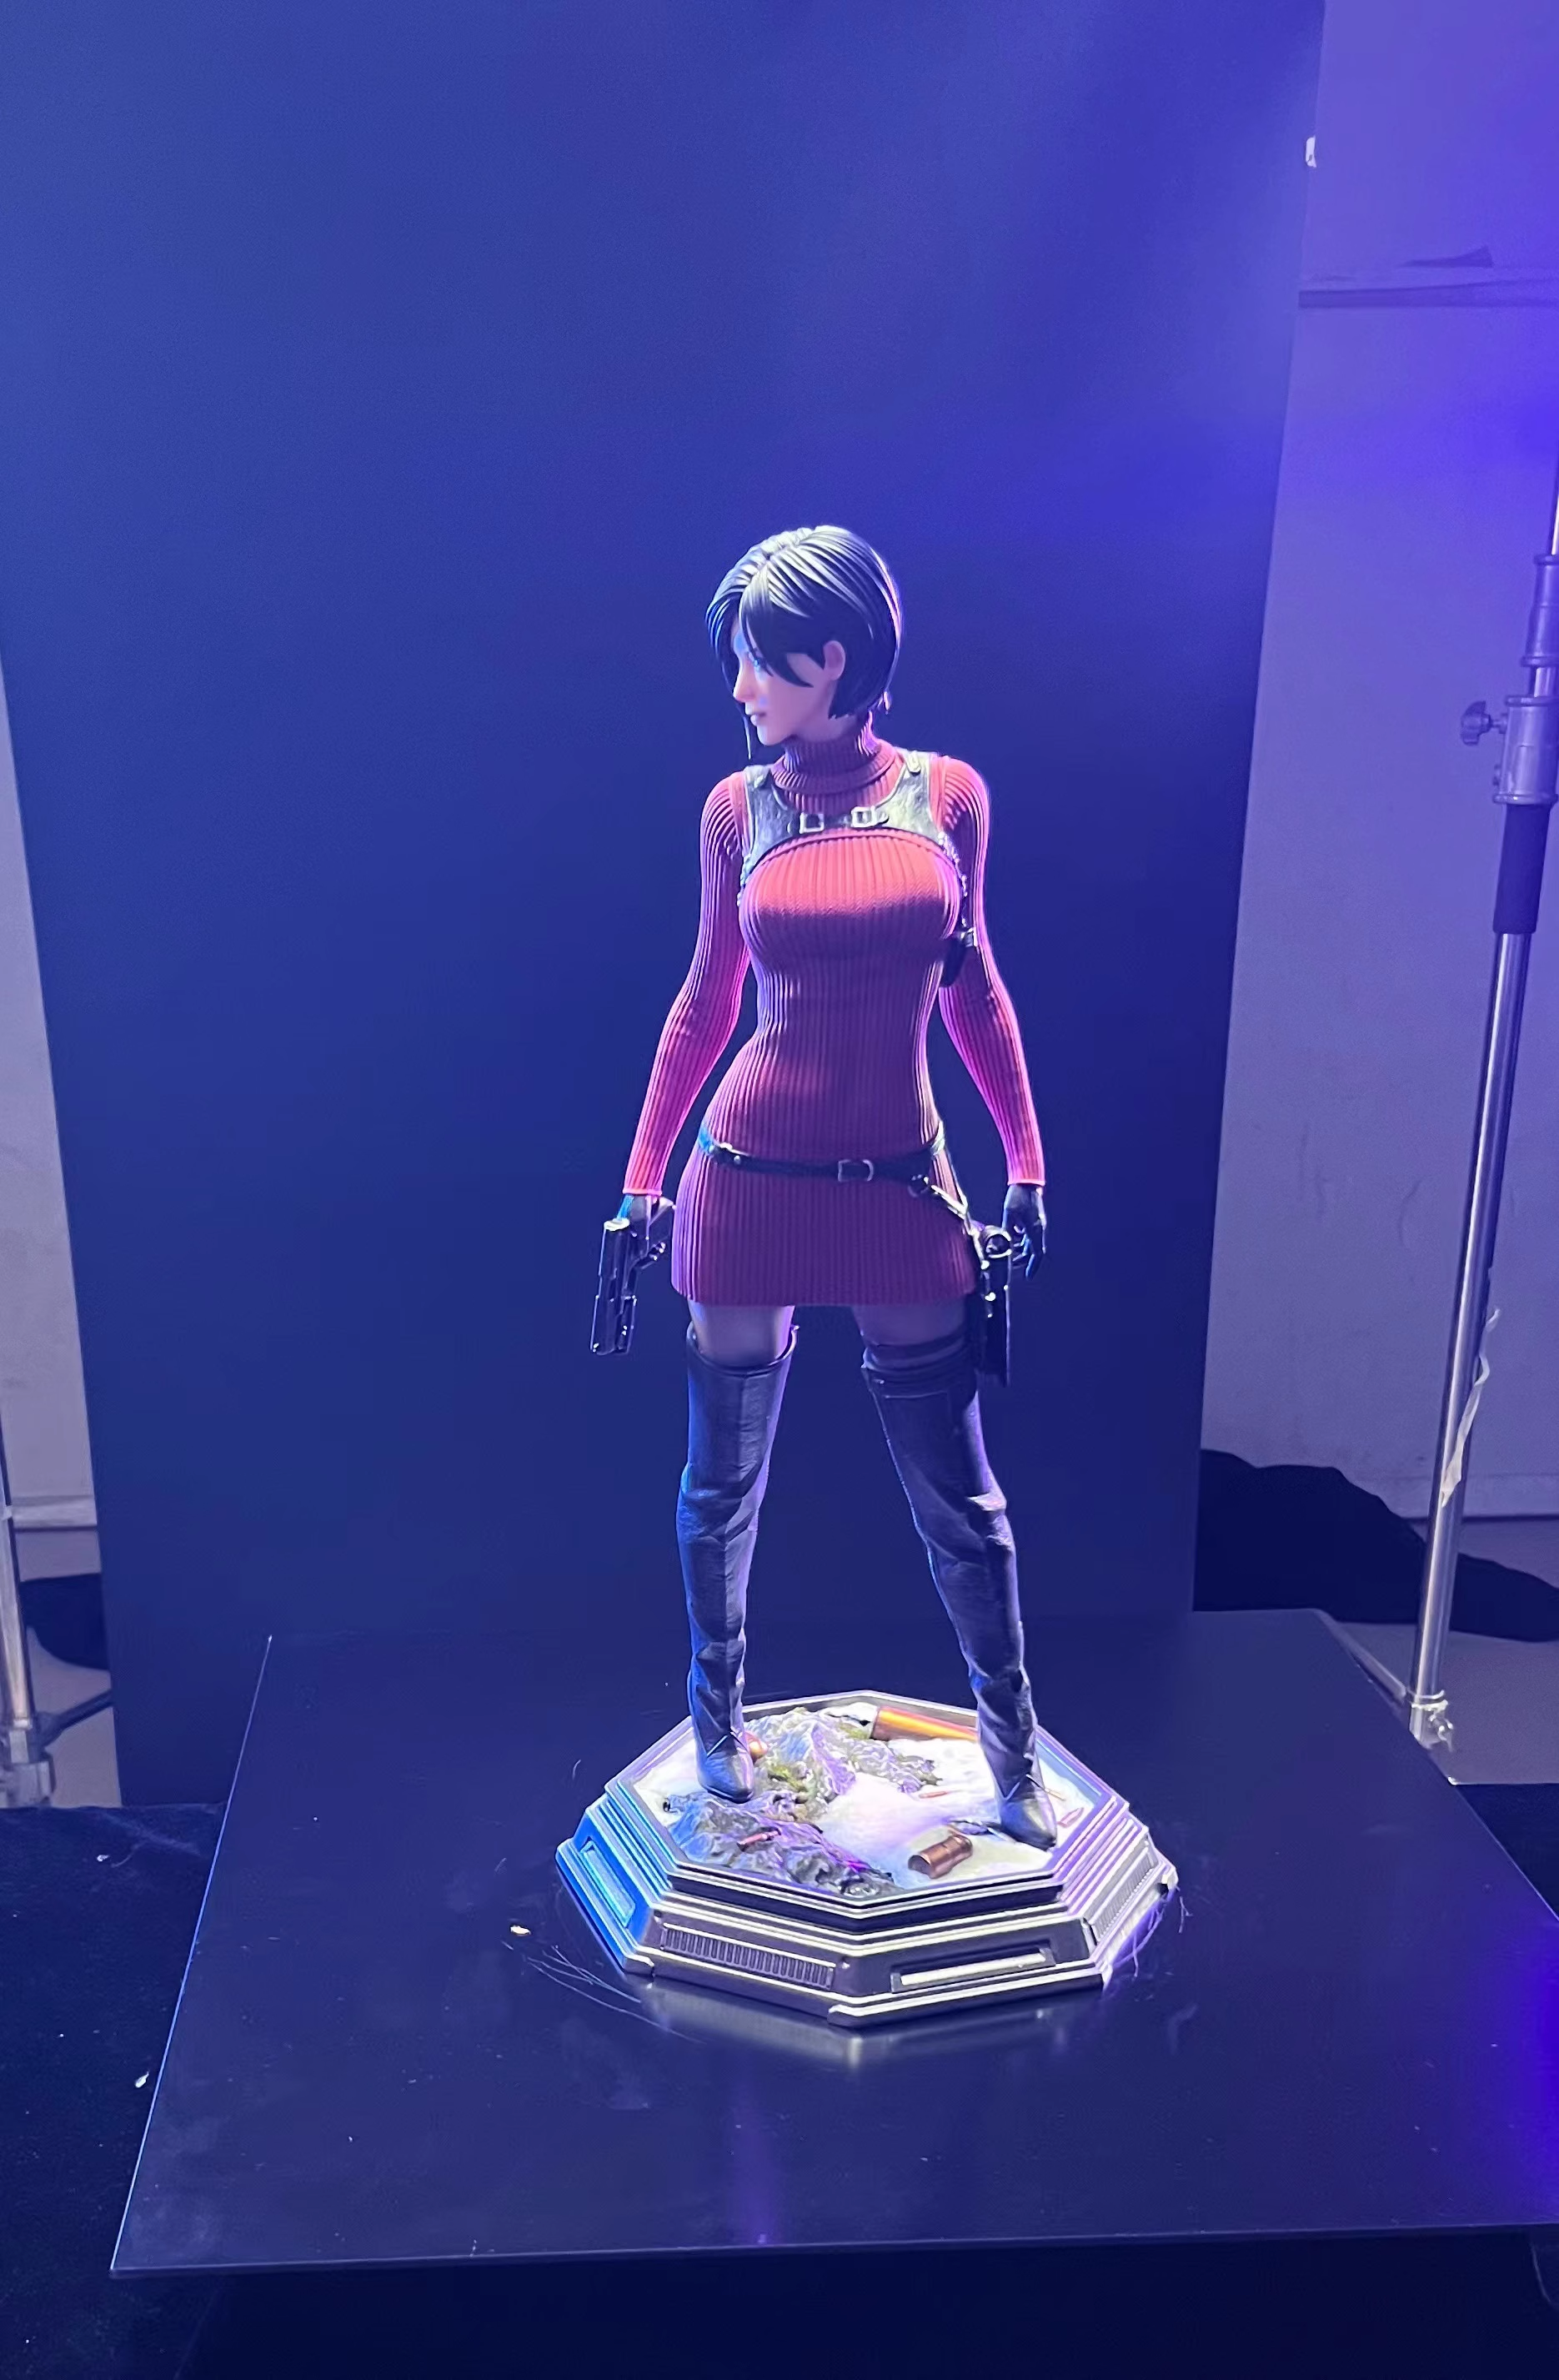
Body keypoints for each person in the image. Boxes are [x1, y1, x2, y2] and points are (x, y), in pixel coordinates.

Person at [615, 525, 1055, 1848]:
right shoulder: (736, 809)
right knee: (719, 1489)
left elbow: (974, 985)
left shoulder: (945, 796)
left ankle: (1014, 1748)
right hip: (743, 1178)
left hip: (900, 1183)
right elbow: (705, 1001)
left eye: (759, 661)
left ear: (832, 655)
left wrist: (1025, 1158)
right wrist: (643, 1177)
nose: (740, 690)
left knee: (961, 1500)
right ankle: (715, 1724)